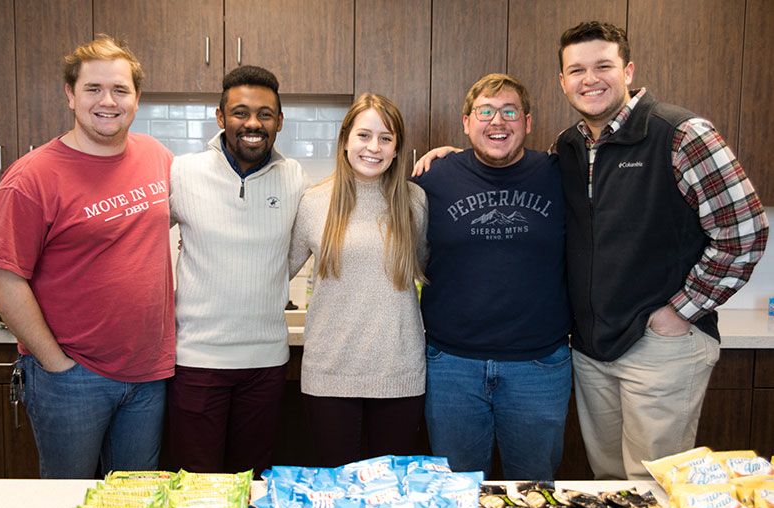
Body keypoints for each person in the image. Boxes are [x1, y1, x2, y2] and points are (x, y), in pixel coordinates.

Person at [555, 21, 768, 479]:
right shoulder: (569, 146)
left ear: (628, 71)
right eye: (576, 70)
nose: (589, 79)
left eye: (603, 66)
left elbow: (743, 231)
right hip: (593, 348)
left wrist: (679, 311)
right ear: (563, 81)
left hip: (660, 346)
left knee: (655, 490)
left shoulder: (680, 133)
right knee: (609, 487)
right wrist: (456, 157)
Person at [0, 35, 175, 479]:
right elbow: (2, 278)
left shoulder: (157, 157)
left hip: (149, 374)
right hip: (72, 376)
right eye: (94, 89)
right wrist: (56, 364)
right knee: (66, 504)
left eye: (120, 90)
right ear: (70, 95)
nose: (107, 101)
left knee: (132, 504)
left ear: (136, 98)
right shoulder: (31, 178)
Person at [411, 74, 571, 480]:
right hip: (450, 366)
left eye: (509, 111)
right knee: (458, 494)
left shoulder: (560, 174)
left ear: (528, 122)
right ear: (466, 122)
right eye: (485, 111)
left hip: (539, 366)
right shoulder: (433, 177)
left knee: (536, 492)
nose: (497, 121)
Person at [167, 66, 309, 476]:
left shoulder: (295, 177)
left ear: (279, 121)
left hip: (265, 364)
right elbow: (135, 242)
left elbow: (297, 248)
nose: (253, 123)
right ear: (220, 117)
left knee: (253, 482)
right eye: (240, 112)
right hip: (197, 362)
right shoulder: (183, 172)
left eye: (265, 114)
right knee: (197, 485)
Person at [288, 93, 428, 467]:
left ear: (398, 148)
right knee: (337, 492)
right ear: (345, 140)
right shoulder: (314, 201)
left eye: (386, 138)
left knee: (389, 495)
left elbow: (431, 267)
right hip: (329, 373)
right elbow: (276, 271)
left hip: (399, 372)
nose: (374, 147)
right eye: (364, 135)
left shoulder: (415, 202)